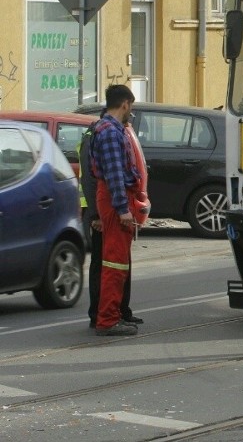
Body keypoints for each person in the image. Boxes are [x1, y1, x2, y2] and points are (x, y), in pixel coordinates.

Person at [79, 114, 143, 329]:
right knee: (107, 263)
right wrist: (96, 214)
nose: (132, 115)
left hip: (114, 204)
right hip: (105, 210)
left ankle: (120, 311)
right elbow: (92, 178)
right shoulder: (103, 133)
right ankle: (101, 315)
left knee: (118, 263)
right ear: (123, 105)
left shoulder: (117, 130)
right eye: (130, 109)